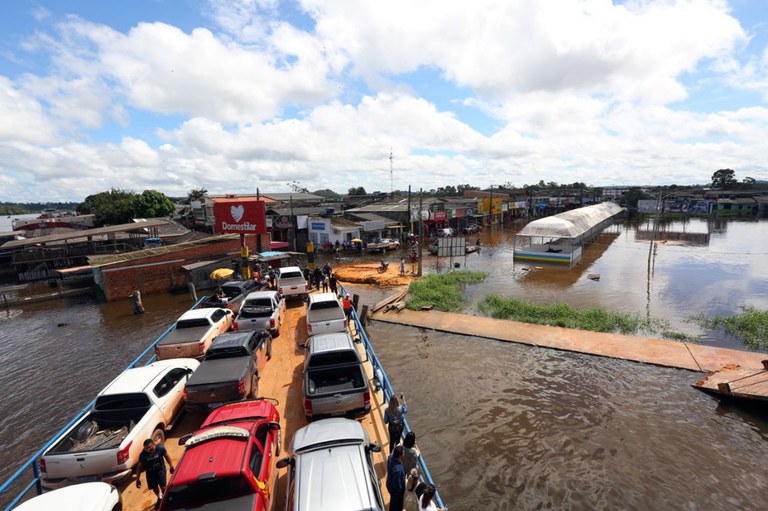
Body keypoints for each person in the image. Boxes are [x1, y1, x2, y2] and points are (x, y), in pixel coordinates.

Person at [136, 438, 174, 510]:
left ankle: (166, 499)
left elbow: (166, 456)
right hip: (150, 473)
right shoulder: (143, 455)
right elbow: (139, 467)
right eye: (147, 448)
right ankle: (160, 498)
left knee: (163, 488)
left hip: (161, 470)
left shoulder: (160, 448)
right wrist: (137, 479)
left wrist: (171, 466)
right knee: (154, 488)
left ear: (154, 444)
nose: (149, 449)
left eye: (150, 447)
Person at [386, 445, 406, 511]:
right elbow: (397, 484)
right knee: (397, 504)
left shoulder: (391, 456)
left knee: (393, 501)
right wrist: (400, 492)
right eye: (403, 452)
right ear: (400, 456)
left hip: (389, 482)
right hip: (395, 490)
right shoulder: (397, 470)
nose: (404, 453)